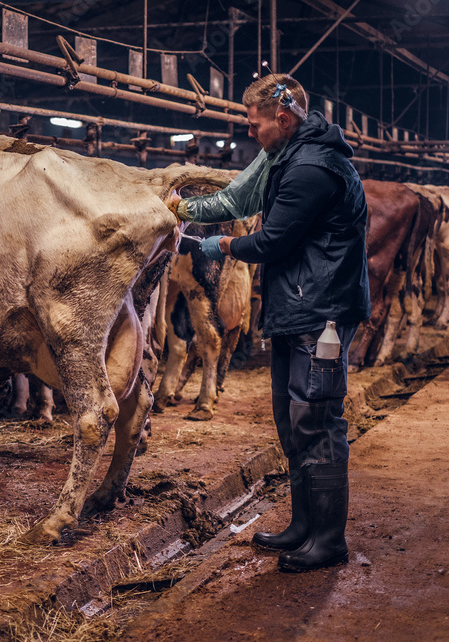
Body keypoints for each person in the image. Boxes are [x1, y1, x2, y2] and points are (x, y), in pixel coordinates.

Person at [173, 73, 370, 572]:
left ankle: (328, 541)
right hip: (296, 308)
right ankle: (304, 526)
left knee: (317, 421)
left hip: (319, 315)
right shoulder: (290, 153)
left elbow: (273, 241)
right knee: (291, 420)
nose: (250, 133)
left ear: (283, 119)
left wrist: (222, 244)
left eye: (255, 125)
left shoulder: (311, 167)